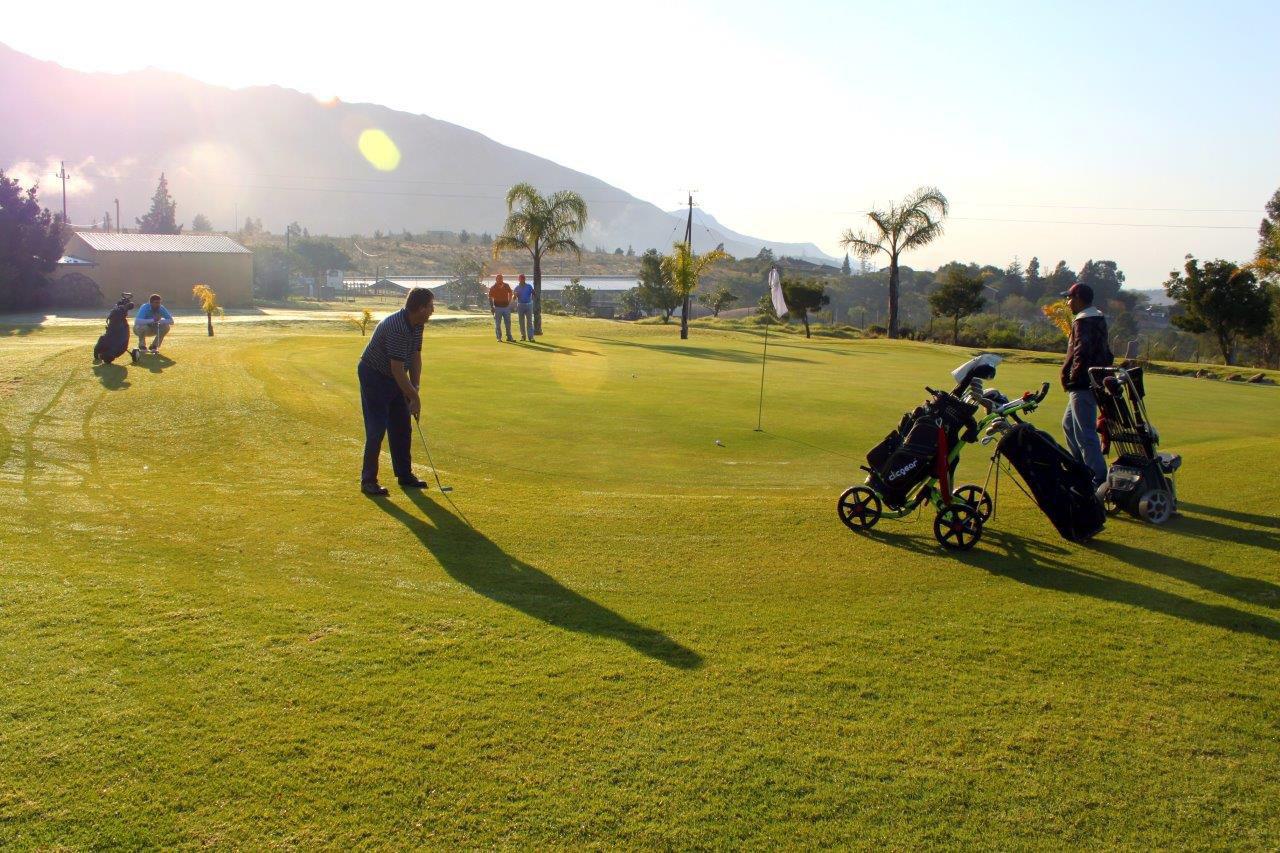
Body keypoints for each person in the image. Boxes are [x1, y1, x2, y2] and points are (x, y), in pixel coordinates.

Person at [358, 287, 434, 496]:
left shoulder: (417, 324)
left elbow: (416, 356)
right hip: (374, 375)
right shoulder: (398, 327)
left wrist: (415, 388)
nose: (432, 311)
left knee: (402, 425)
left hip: (393, 376)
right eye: (430, 307)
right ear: (419, 308)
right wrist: (414, 398)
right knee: (377, 427)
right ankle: (368, 481)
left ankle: (404, 475)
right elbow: (397, 369)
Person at [1059, 281, 1113, 487]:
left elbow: (1081, 352)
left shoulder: (1084, 321)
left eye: (1070, 298)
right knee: (1069, 425)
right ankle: (1080, 468)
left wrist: (1072, 377)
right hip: (1090, 381)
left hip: (1082, 384)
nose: (1068, 302)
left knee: (1085, 432)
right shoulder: (1095, 317)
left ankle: (1097, 478)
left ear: (1079, 299)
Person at [489, 274, 515, 342]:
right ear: (496, 279)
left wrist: (509, 302)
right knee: (498, 324)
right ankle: (499, 338)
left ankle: (509, 337)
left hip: (506, 307)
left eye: (501, 278)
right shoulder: (493, 287)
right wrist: (492, 307)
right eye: (499, 278)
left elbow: (510, 293)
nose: (500, 280)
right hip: (497, 308)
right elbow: (490, 297)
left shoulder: (506, 285)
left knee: (508, 323)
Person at [514, 273, 536, 341]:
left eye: (523, 278)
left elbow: (533, 293)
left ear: (524, 279)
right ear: (519, 279)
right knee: (521, 322)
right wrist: (515, 295)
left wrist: (532, 299)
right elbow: (513, 298)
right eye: (520, 278)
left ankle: (531, 337)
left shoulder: (529, 286)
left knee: (529, 322)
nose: (521, 279)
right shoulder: (517, 287)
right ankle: (523, 336)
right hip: (520, 305)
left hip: (528, 305)